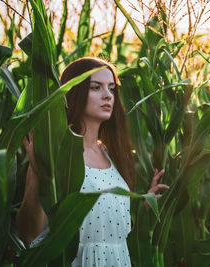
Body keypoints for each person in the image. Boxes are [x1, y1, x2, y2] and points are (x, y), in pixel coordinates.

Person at [16, 57, 169, 266]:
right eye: (96, 87)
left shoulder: (109, 153)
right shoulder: (57, 155)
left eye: (112, 89)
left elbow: (112, 232)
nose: (107, 95)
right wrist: (38, 172)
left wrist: (143, 207)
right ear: (73, 92)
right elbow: (29, 234)